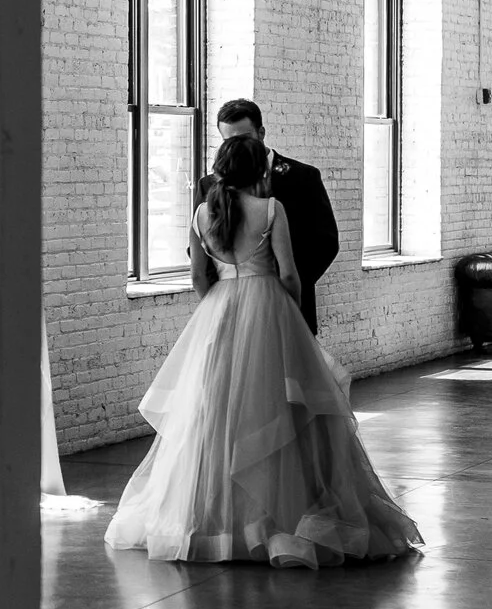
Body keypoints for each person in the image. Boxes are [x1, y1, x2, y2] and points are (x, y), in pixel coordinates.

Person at [108, 134, 420, 569]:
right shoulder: (272, 209)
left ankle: (214, 524)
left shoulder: (202, 213)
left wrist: (219, 309)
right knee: (282, 408)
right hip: (270, 307)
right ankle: (283, 518)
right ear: (260, 170)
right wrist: (284, 311)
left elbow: (199, 278)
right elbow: (290, 274)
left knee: (216, 413)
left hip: (219, 311)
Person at [196, 98, 336, 334]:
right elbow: (201, 249)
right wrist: (225, 292)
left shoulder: (303, 177)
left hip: (291, 303)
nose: (238, 147)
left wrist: (285, 287)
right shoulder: (208, 185)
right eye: (230, 141)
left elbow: (325, 242)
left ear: (261, 132)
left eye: (245, 138)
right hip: (229, 311)